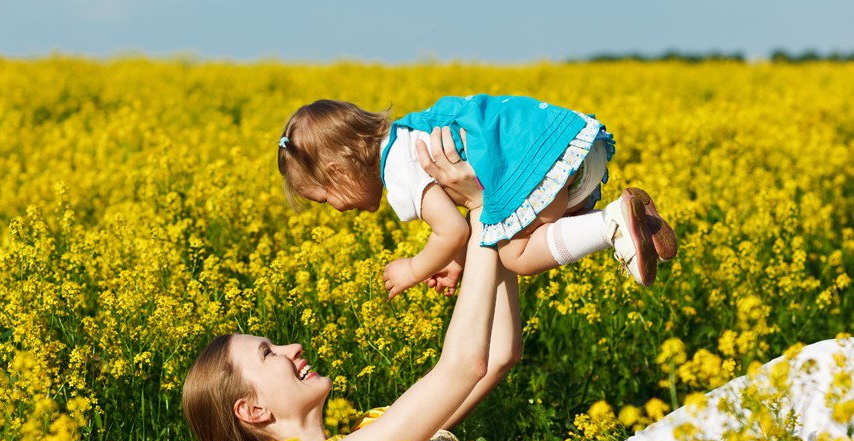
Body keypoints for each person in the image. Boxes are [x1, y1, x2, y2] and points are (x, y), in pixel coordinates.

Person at [185, 134, 854, 441]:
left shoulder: (358, 440)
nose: (291, 346)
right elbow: (459, 365)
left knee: (827, 420)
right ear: (251, 408)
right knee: (833, 369)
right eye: (269, 352)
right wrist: (484, 213)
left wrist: (492, 246)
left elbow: (495, 355)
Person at [276, 95, 677, 300]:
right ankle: (643, 223)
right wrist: (457, 263)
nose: (336, 209)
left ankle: (612, 223)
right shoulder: (407, 133)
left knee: (515, 256)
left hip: (537, 160)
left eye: (325, 198)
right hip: (560, 145)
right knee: (529, 230)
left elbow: (451, 229)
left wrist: (414, 269)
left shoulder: (400, 167)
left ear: (339, 172)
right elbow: (471, 223)